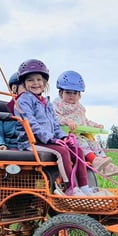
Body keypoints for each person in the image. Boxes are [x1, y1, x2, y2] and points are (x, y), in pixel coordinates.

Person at [12, 59, 105, 196]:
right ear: (24, 83)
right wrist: (52, 139)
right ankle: (71, 188)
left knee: (77, 150)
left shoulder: (46, 102)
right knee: (62, 152)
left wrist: (64, 137)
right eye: (30, 80)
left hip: (48, 141)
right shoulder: (23, 100)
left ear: (45, 83)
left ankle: (84, 187)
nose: (35, 83)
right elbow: (31, 124)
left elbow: (55, 125)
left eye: (39, 79)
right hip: (31, 142)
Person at [54, 70, 118, 177]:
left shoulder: (79, 108)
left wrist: (94, 125)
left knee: (93, 143)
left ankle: (107, 165)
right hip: (66, 137)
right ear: (61, 93)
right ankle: (95, 160)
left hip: (80, 135)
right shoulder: (57, 105)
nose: (71, 96)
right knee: (83, 143)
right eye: (68, 92)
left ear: (79, 95)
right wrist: (67, 121)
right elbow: (55, 117)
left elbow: (84, 121)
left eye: (75, 93)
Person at [0, 72, 22, 150]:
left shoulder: (36, 110)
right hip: (7, 146)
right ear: (14, 88)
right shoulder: (1, 110)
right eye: (26, 87)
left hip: (30, 147)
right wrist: (1, 144)